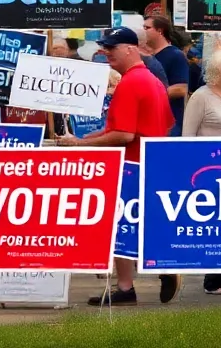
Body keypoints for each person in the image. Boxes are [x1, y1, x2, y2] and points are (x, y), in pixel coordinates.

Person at [57, 27, 179, 306]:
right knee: (139, 224)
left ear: (130, 49)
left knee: (120, 226)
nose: (106, 52)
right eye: (105, 47)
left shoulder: (130, 83)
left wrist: (80, 145)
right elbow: (163, 125)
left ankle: (127, 286)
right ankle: (161, 268)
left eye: (112, 47)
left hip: (129, 166)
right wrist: (85, 138)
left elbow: (124, 135)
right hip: (151, 162)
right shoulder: (154, 81)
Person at [184, 49, 221, 296]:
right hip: (207, 167)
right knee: (215, 222)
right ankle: (213, 278)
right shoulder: (201, 97)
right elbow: (188, 134)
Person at [144, 15, 190, 137]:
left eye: (147, 28)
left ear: (160, 31)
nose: (143, 31)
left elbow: (181, 89)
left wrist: (147, 95)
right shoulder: (146, 56)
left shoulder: (175, 55)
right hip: (149, 121)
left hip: (169, 124)